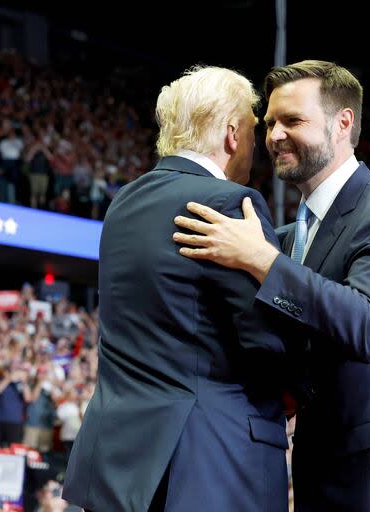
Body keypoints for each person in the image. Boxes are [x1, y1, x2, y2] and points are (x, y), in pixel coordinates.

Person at [173, 60, 370, 511]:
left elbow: (368, 324)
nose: (273, 136)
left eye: (292, 120)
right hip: (319, 469)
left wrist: (261, 260)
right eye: (269, 122)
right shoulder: (290, 235)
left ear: (342, 123)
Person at [63, 65, 291, 512]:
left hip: (119, 461)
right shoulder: (229, 203)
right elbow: (265, 337)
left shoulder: (123, 203)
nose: (256, 144)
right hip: (209, 461)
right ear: (231, 133)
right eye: (250, 128)